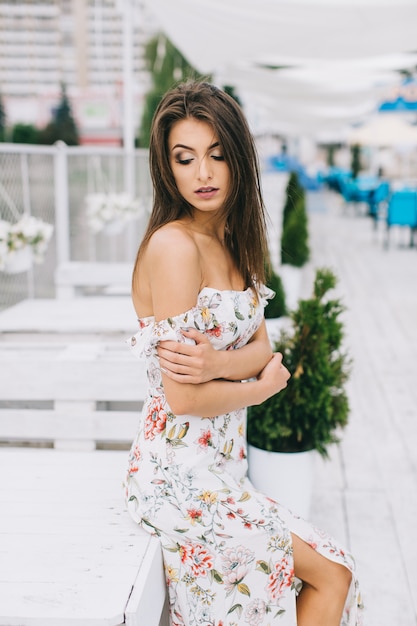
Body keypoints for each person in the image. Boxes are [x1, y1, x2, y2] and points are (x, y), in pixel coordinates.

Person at [125, 81, 363, 626]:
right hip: (177, 476)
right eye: (185, 159)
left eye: (217, 155)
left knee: (326, 575)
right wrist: (259, 386)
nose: (203, 174)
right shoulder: (174, 246)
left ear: (239, 158)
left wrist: (217, 366)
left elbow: (264, 346)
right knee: (332, 572)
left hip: (224, 471)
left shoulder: (234, 241)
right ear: (168, 168)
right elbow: (184, 397)